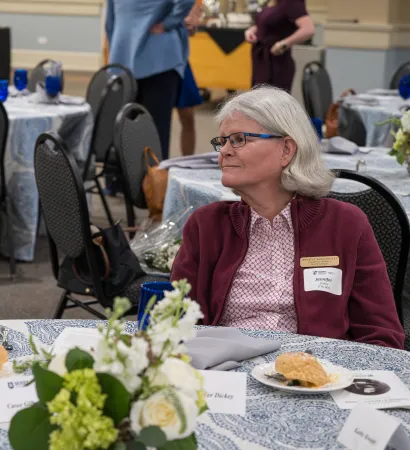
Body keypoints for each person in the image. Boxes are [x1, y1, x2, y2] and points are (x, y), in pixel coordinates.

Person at [171, 86, 405, 349]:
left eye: (238, 139)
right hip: (226, 373)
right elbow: (174, 324)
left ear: (286, 149)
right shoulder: (206, 226)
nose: (224, 151)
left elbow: (381, 335)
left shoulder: (346, 224)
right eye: (222, 141)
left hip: (318, 375)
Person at [106, 0, 194, 160]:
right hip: (153, 57)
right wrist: (170, 23)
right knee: (150, 132)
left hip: (135, 57)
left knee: (131, 130)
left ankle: (141, 182)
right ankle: (147, 181)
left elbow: (110, 23)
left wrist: (168, 23)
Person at [244, 0, 315, 92]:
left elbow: (308, 29)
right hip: (261, 61)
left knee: (272, 101)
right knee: (258, 99)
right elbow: (265, 24)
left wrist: (284, 43)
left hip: (276, 63)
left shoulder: (292, 2)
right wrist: (251, 30)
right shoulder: (270, 2)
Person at [177, 0, 203, 156]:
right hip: (153, 60)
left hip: (180, 61)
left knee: (187, 116)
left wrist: (192, 20)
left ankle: (187, 163)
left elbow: (191, 29)